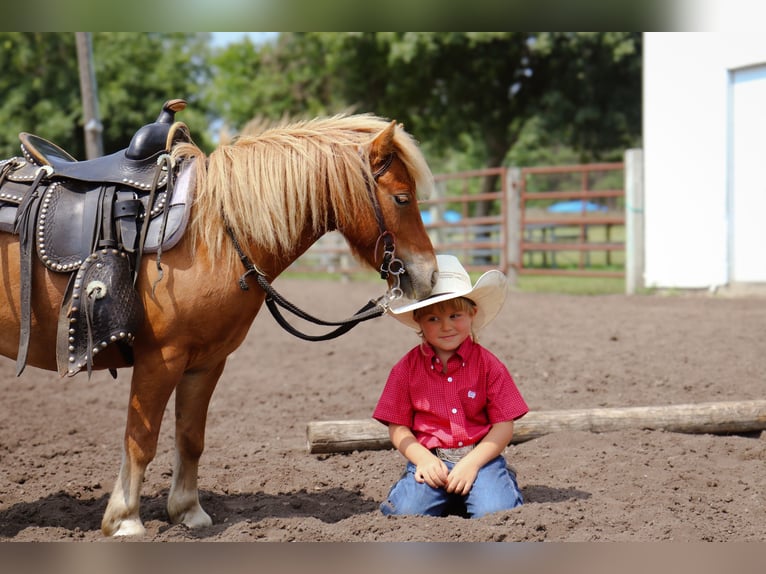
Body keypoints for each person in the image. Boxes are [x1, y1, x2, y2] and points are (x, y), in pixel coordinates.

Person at [373, 254, 528, 518]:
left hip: (480, 459)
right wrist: (422, 459)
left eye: (455, 315)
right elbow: (397, 426)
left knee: (495, 512)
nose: (446, 326)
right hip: (431, 459)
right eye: (433, 319)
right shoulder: (405, 369)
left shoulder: (489, 365)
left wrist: (472, 463)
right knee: (407, 513)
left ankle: (493, 481)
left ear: (472, 314)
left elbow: (504, 425)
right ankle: (425, 487)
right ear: (419, 321)